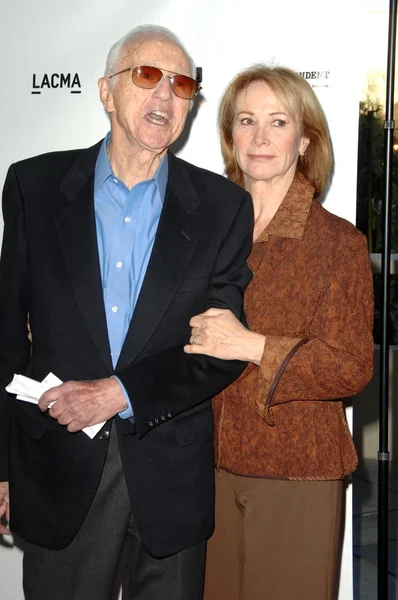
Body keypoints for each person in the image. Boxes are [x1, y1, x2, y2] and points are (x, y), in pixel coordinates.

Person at [0, 25, 253, 600]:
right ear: (105, 91)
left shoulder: (222, 208)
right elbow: (6, 337)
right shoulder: (33, 186)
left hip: (171, 476)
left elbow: (221, 348)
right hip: (57, 465)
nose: (164, 95)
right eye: (146, 76)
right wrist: (3, 465)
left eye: (182, 84)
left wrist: (120, 392)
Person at [184, 65, 374, 600]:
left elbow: (351, 365)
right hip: (204, 468)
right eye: (246, 121)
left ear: (305, 137)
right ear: (230, 136)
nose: (260, 137)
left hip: (296, 473)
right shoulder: (203, 231)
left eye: (278, 121)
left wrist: (249, 344)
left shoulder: (338, 243)